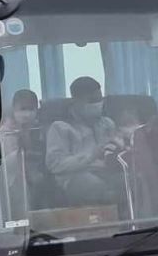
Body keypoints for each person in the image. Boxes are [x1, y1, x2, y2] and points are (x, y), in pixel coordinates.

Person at [45, 76, 123, 204]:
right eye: (92, 100)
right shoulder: (60, 127)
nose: (98, 104)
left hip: (105, 170)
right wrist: (91, 156)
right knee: (98, 188)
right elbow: (54, 164)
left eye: (100, 99)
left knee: (132, 182)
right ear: (76, 101)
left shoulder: (107, 123)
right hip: (74, 176)